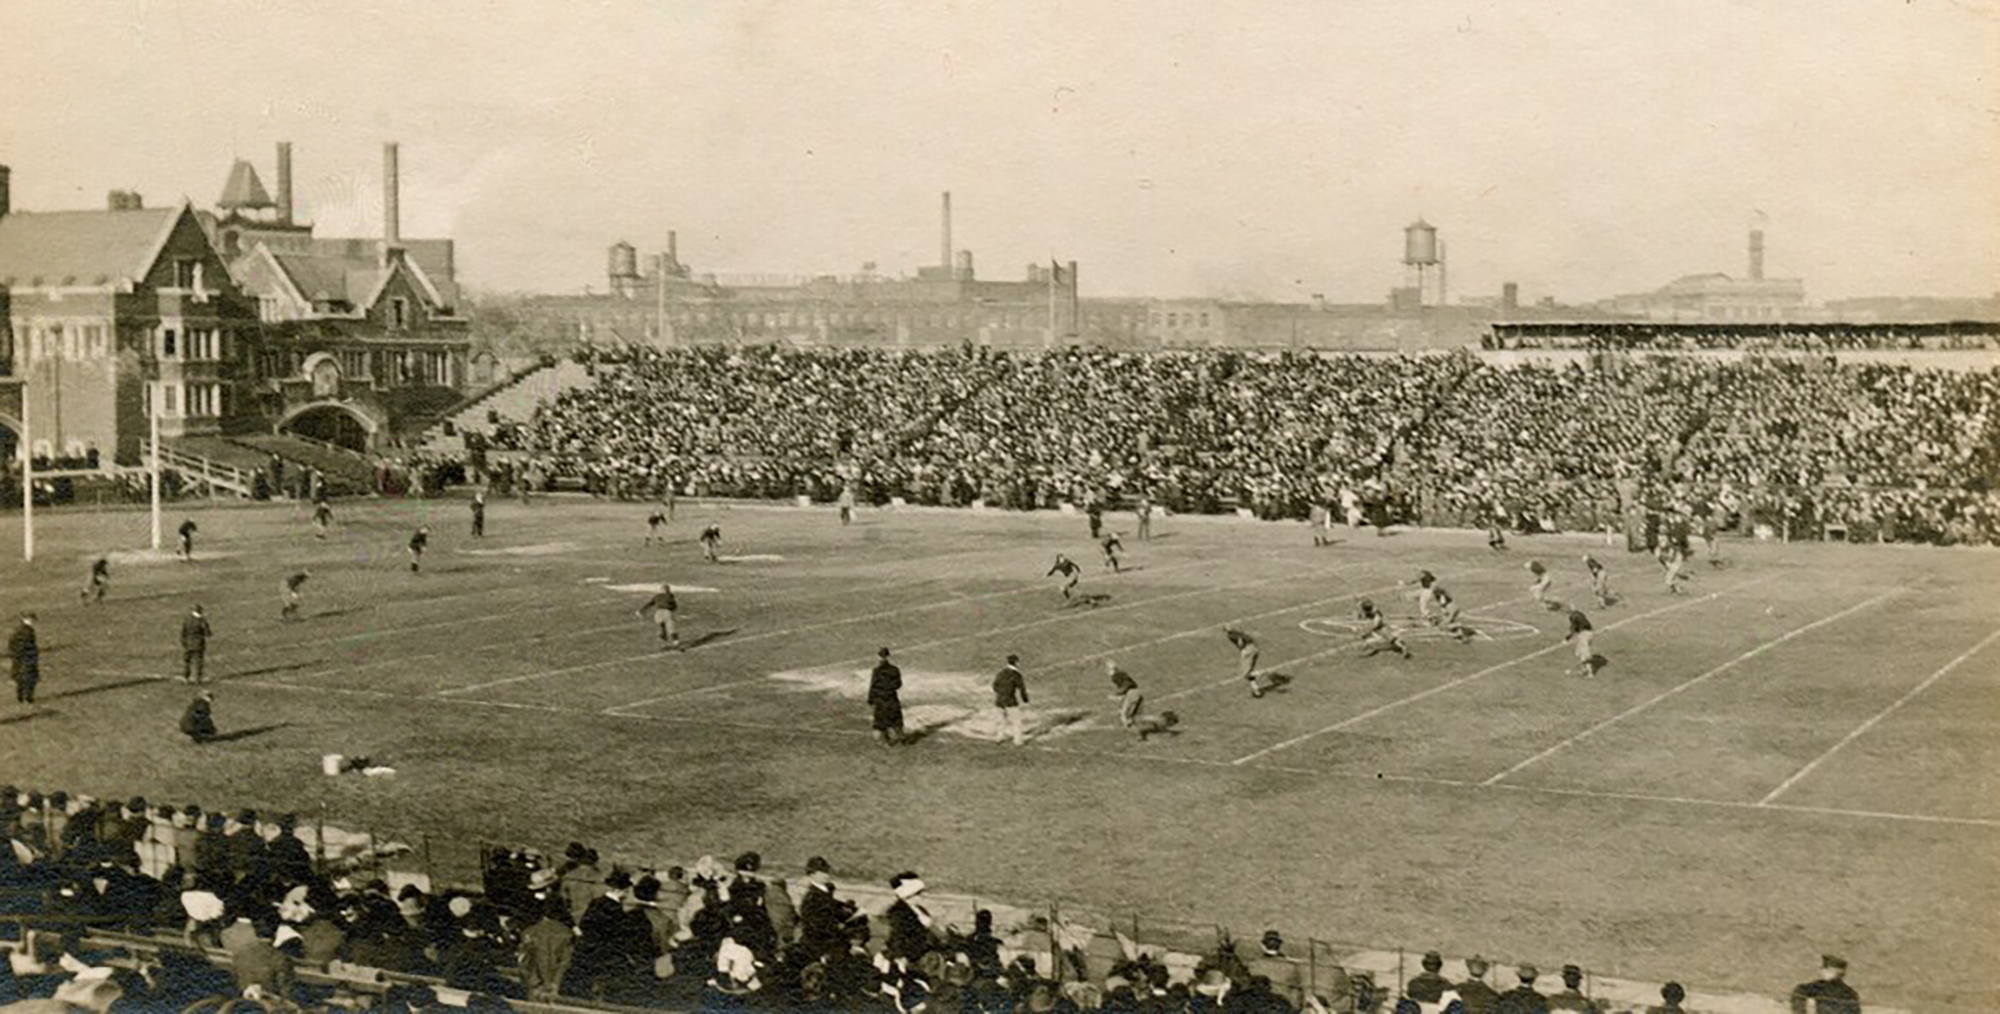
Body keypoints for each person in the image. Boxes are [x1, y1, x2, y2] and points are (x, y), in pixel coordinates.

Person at [1788, 955, 1860, 1014]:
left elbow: (1799, 992)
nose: (1821, 971)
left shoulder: (1817, 987)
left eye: (1823, 969)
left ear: (1829, 970)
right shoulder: (1850, 993)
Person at [868, 647, 905, 746]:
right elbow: (898, 684)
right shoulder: (894, 670)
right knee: (894, 719)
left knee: (882, 721)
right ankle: (898, 738)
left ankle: (888, 740)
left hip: (882, 698)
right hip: (890, 697)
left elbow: (873, 685)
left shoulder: (877, 671)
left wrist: (871, 698)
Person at [992, 654, 1030, 746]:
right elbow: (1021, 688)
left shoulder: (1001, 673)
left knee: (1001, 720)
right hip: (1010, 700)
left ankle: (999, 737)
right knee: (1016, 721)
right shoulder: (1016, 675)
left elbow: (994, 686)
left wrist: (1000, 693)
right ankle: (1017, 741)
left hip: (999, 700)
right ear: (1016, 663)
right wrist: (1025, 700)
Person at [638, 584, 681, 650]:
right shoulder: (669, 595)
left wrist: (641, 611)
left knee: (662, 626)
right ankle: (676, 642)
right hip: (667, 612)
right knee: (671, 628)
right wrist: (673, 609)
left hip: (658, 614)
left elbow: (650, 603)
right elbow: (674, 605)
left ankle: (663, 638)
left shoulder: (657, 596)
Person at [1226, 627, 1266, 698]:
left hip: (1247, 651)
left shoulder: (1231, 636)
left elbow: (1240, 642)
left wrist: (1242, 649)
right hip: (1254, 648)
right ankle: (1255, 688)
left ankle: (1257, 688)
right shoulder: (1241, 632)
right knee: (1250, 671)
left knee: (1246, 673)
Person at [9, 612, 39, 707]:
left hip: (18, 658)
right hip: (27, 658)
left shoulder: (18, 630)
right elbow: (29, 645)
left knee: (20, 678)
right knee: (30, 678)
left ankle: (20, 697)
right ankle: (28, 698)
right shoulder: (28, 631)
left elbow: (11, 644)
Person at [1107, 661, 1143, 732]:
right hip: (1137, 692)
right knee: (1131, 715)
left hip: (1132, 693)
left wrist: (1117, 694)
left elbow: (1126, 685)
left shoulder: (1116, 677)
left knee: (1124, 714)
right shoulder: (1122, 674)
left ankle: (1130, 730)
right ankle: (1134, 727)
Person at [180, 605, 212, 685]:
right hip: (198, 644)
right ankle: (197, 679)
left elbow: (183, 632)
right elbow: (208, 633)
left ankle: (185, 678)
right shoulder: (201, 621)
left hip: (188, 644)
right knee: (198, 662)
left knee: (187, 661)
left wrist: (184, 642)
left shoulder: (187, 620)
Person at [1564, 609, 1599, 678]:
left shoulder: (1573, 616)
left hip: (1584, 635)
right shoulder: (1580, 615)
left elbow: (1573, 629)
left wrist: (1567, 638)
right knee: (1579, 653)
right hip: (1590, 634)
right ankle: (1583, 670)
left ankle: (1590, 673)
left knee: (1584, 655)